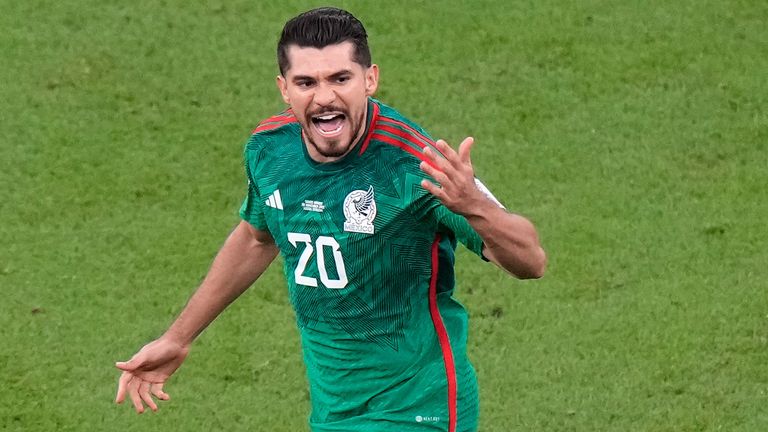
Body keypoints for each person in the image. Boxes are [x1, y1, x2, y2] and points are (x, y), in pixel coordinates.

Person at [115, 7, 546, 432]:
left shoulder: (416, 164)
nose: (324, 97)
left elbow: (531, 260)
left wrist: (472, 205)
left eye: (340, 79)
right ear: (285, 89)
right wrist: (178, 337)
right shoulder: (269, 150)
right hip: (334, 408)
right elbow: (256, 238)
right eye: (307, 82)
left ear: (369, 79)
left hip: (418, 406)